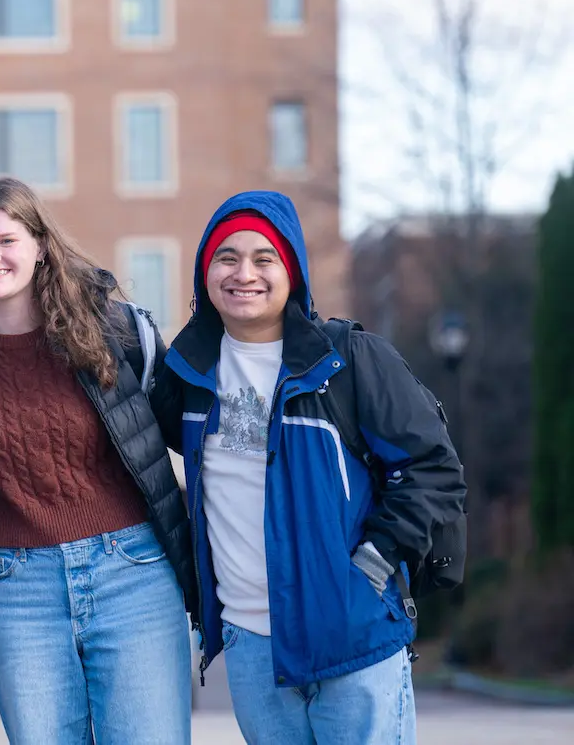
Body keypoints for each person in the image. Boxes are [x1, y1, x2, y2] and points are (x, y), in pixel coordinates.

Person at [153, 190, 466, 744]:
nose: (243, 272)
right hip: (251, 646)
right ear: (205, 273)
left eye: (262, 258)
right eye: (226, 257)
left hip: (349, 635)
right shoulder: (186, 376)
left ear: (291, 270)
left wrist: (372, 566)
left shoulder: (348, 359)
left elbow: (432, 468)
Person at [0, 176, 197, 745]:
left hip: (133, 573)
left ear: (41, 245)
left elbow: (193, 436)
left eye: (6, 240)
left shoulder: (117, 331)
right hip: (14, 585)